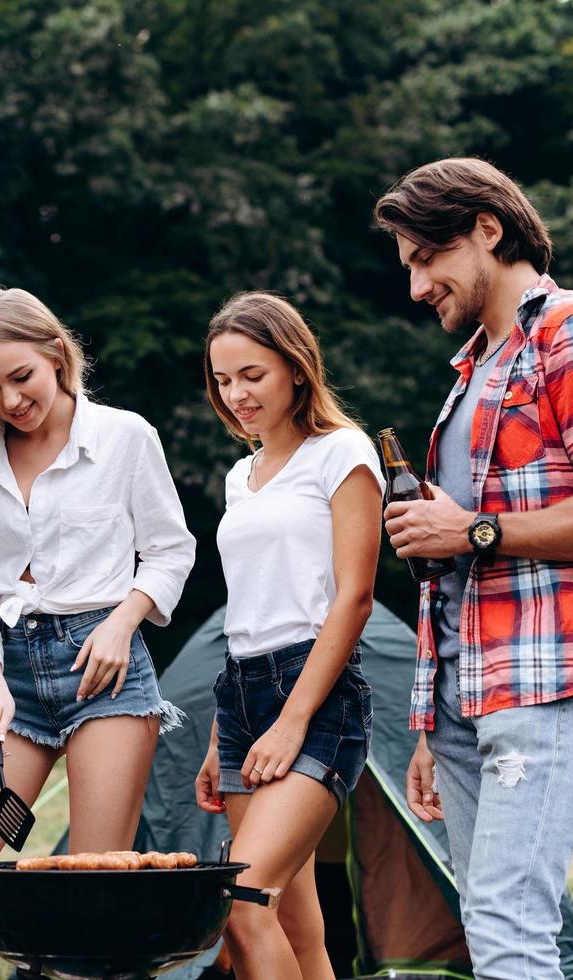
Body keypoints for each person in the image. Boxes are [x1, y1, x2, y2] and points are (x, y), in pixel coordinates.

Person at [374, 157, 573, 978]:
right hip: (468, 691)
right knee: (487, 919)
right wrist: (433, 721)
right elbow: (470, 554)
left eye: (424, 258)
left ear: (486, 229)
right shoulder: (475, 372)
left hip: (549, 674)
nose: (415, 286)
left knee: (508, 925)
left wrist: (468, 529)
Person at [0, 287, 196, 979]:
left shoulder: (125, 438)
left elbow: (170, 550)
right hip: (11, 676)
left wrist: (124, 621)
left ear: (56, 356)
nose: (9, 399)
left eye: (20, 377)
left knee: (90, 907)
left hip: (106, 670)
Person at [193, 292, 382, 980]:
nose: (236, 394)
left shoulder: (341, 452)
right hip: (241, 696)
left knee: (241, 905)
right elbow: (245, 607)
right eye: (222, 379)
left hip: (316, 695)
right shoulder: (238, 477)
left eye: (252, 374)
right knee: (291, 923)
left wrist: (291, 721)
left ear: (296, 368)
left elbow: (354, 598)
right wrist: (222, 735)